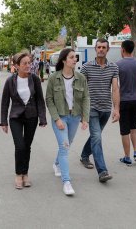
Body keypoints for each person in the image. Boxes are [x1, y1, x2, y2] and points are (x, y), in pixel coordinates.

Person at [0, 51, 47, 189]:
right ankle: (18, 174)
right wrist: (4, 121)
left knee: (27, 146)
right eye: (24, 63)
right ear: (16, 65)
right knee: (19, 146)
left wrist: (42, 118)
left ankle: (25, 173)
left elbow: (40, 100)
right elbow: (4, 103)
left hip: (32, 116)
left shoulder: (35, 79)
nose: (28, 65)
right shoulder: (10, 81)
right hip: (15, 117)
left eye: (29, 63)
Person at [46, 48, 89, 196]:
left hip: (75, 117)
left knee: (67, 144)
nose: (75, 60)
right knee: (64, 146)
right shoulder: (54, 78)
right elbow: (49, 100)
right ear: (64, 60)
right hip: (60, 116)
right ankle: (67, 182)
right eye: (72, 57)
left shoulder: (81, 78)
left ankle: (56, 163)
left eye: (75, 57)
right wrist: (57, 119)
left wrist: (85, 118)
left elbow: (86, 98)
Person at [79, 38, 120, 183]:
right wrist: (81, 110)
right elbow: (80, 89)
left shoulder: (114, 67)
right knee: (97, 137)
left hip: (106, 109)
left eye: (104, 47)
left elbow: (115, 89)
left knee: (95, 136)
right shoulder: (86, 67)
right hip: (91, 108)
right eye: (99, 47)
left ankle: (84, 155)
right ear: (95, 49)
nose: (101, 49)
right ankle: (102, 171)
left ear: (107, 49)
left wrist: (117, 109)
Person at [116, 40, 136, 165]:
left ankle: (127, 157)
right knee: (133, 126)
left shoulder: (118, 64)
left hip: (124, 101)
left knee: (124, 130)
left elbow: (115, 86)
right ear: (133, 49)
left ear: (122, 49)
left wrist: (115, 105)